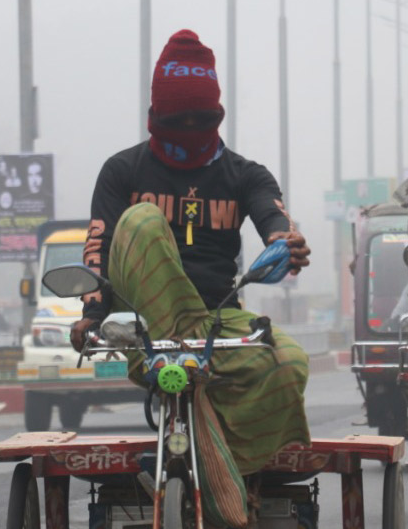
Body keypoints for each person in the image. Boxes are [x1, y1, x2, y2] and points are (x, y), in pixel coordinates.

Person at [72, 29, 311, 485]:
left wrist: (285, 242)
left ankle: (229, 471)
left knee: (291, 364)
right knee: (142, 220)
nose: (187, 131)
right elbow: (98, 247)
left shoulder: (246, 175)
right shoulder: (122, 172)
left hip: (216, 324)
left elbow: (272, 217)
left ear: (216, 117)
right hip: (145, 330)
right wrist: (93, 313)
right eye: (176, 120)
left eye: (197, 120)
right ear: (155, 115)